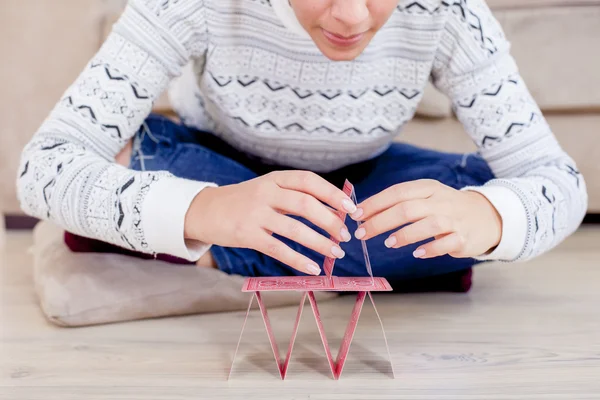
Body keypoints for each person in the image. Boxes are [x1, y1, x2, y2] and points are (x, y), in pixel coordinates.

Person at [17, 0, 587, 292]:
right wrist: (210, 209)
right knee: (429, 240)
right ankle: (382, 266)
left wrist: (486, 218)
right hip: (217, 165)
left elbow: (557, 181)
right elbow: (43, 169)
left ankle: (203, 250)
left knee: (477, 195)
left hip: (357, 176)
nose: (350, 16)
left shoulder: (448, 11)